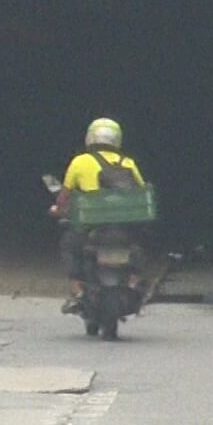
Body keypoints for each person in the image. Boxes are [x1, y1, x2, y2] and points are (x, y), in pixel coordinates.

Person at [52, 117, 146, 313]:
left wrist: (58, 209)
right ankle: (133, 283)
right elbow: (141, 192)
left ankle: (77, 292)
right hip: (122, 226)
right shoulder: (127, 163)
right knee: (137, 247)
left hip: (89, 227)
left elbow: (64, 196)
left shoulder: (80, 162)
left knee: (69, 246)